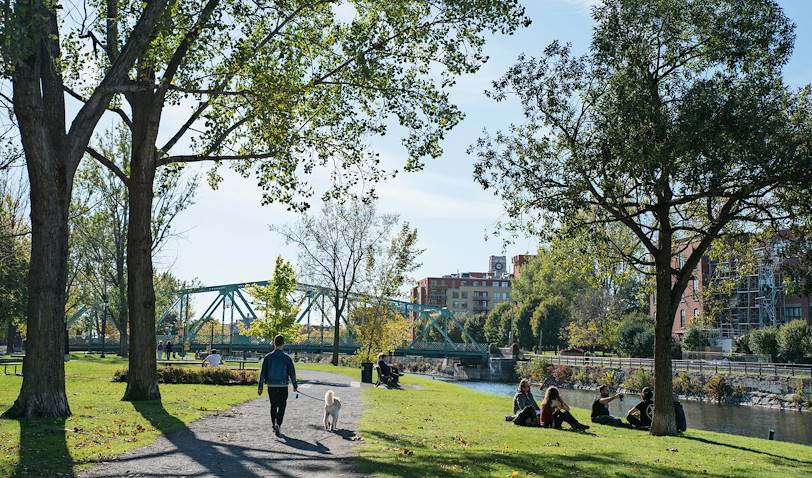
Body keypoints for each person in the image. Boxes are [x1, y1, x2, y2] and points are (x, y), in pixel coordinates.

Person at [258, 335, 298, 437]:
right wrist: (295, 385)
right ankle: (278, 424)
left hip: (271, 385)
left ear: (274, 343)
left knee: (273, 405)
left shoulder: (268, 357)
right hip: (283, 385)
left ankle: (273, 424)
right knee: (282, 406)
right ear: (283, 344)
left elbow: (263, 373)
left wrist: (260, 387)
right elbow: (292, 373)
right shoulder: (287, 358)